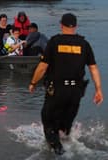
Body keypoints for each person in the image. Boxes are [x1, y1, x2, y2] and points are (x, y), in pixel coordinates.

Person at [28, 13, 103, 155]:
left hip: (57, 91)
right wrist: (98, 90)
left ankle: (58, 150)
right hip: (76, 93)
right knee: (64, 127)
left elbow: (43, 66)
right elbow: (93, 68)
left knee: (48, 120)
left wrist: (33, 82)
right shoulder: (84, 44)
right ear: (75, 26)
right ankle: (67, 145)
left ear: (61, 25)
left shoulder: (54, 42)